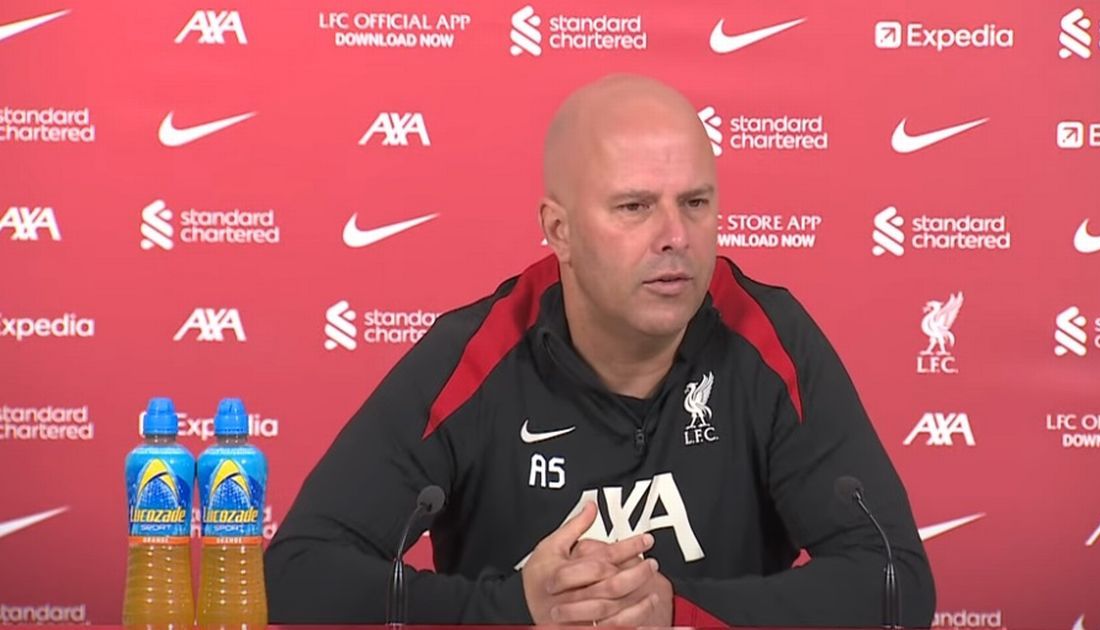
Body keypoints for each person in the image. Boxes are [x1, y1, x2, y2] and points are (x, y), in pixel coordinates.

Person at [265, 74, 936, 627]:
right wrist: (517, 609)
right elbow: (297, 573)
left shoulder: (769, 337)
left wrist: (675, 612)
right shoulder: (474, 356)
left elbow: (895, 583)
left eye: (695, 202)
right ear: (559, 230)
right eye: (634, 207)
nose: (675, 236)